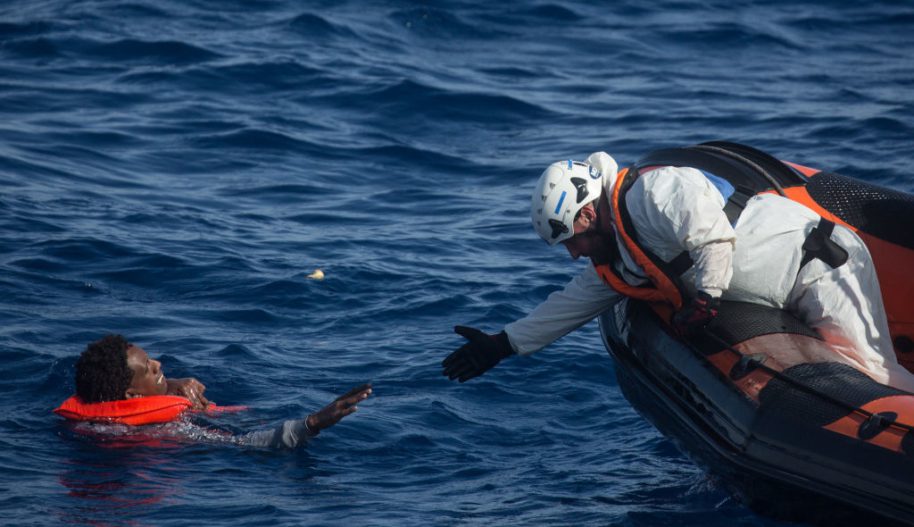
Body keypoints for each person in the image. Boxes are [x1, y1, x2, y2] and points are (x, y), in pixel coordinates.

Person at [442, 149, 914, 392]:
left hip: (820, 268)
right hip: (781, 292)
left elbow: (714, 240)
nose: (573, 254)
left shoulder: (655, 192)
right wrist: (503, 345)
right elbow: (575, 302)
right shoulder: (621, 253)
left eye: (573, 242)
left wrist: (705, 299)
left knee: (872, 373)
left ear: (586, 214)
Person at [69, 334, 372, 448]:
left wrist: (169, 387)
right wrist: (312, 424)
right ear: (132, 396)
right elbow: (245, 443)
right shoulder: (162, 429)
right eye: (148, 366)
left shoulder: (94, 416)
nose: (158, 364)